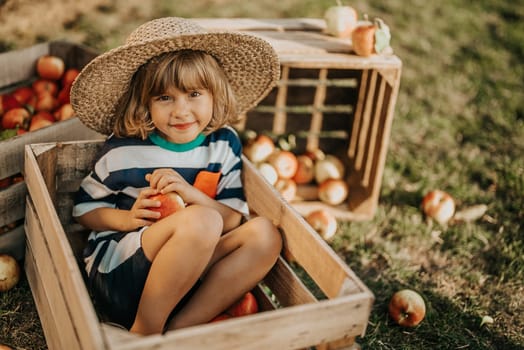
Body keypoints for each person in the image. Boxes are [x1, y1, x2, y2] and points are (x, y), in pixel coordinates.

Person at [70, 17, 282, 335]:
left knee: (265, 234)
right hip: (123, 273)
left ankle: (179, 330)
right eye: (164, 98)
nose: (181, 111)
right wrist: (129, 219)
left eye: (194, 94)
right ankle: (145, 330)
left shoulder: (223, 145)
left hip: (185, 278)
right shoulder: (123, 151)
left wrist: (191, 194)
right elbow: (83, 211)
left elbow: (232, 220)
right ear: (145, 103)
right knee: (203, 221)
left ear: (214, 94)